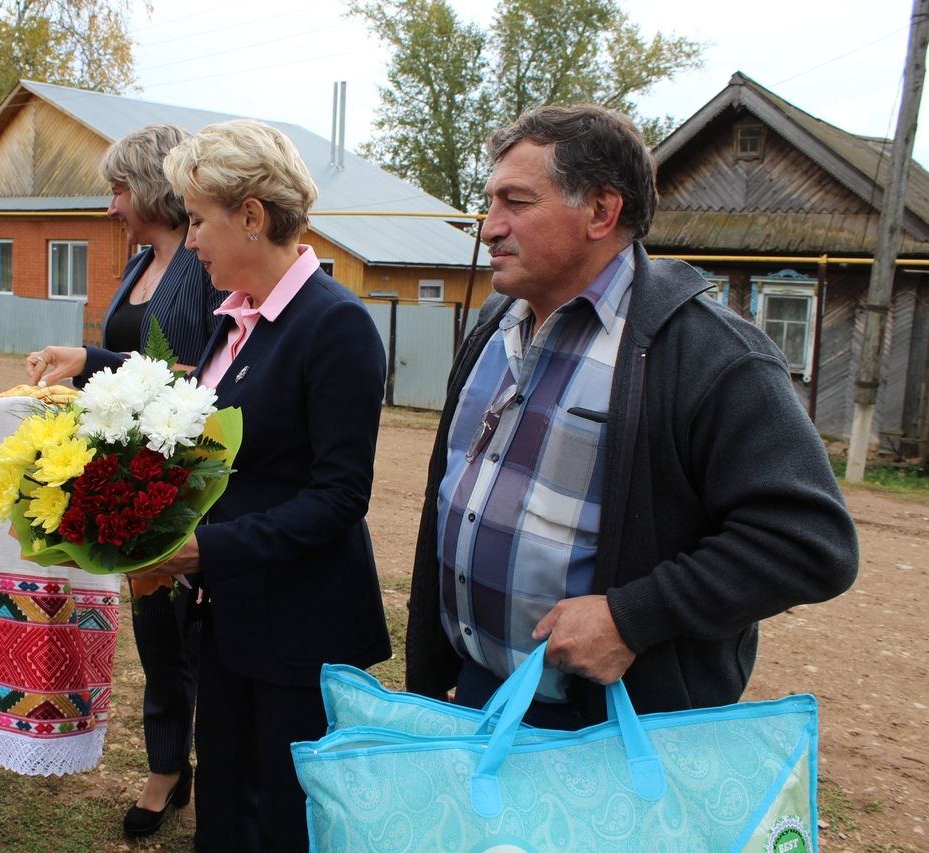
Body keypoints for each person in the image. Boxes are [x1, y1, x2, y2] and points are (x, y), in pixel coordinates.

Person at [405, 105, 860, 727]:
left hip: (603, 730)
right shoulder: (493, 326)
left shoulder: (708, 354)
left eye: (516, 202)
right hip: (475, 695)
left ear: (600, 211)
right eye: (490, 203)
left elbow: (810, 544)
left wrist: (633, 616)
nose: (490, 228)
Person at [141, 119, 391, 852]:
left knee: (280, 820)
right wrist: (94, 365)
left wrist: (202, 551)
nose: (190, 241)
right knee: (224, 806)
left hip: (297, 627)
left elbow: (340, 495)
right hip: (232, 616)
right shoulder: (237, 318)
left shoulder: (335, 324)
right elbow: (196, 401)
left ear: (251, 216)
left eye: (197, 219)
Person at [23, 124, 223, 839]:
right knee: (155, 631)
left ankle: (206, 760)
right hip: (136, 472)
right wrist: (82, 357)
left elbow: (207, 371)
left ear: (149, 185)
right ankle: (169, 764)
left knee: (191, 627)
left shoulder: (204, 263)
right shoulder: (140, 259)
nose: (109, 205)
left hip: (190, 473)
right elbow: (137, 361)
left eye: (116, 187)